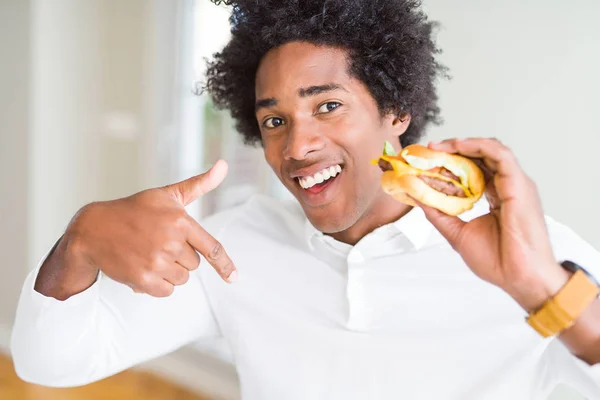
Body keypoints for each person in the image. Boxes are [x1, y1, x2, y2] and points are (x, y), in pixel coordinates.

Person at [10, 1, 600, 399]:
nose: (298, 145)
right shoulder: (233, 248)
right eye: (273, 120)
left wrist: (539, 286)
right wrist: (81, 238)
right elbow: (52, 363)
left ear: (396, 111)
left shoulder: (533, 249)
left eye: (327, 105)